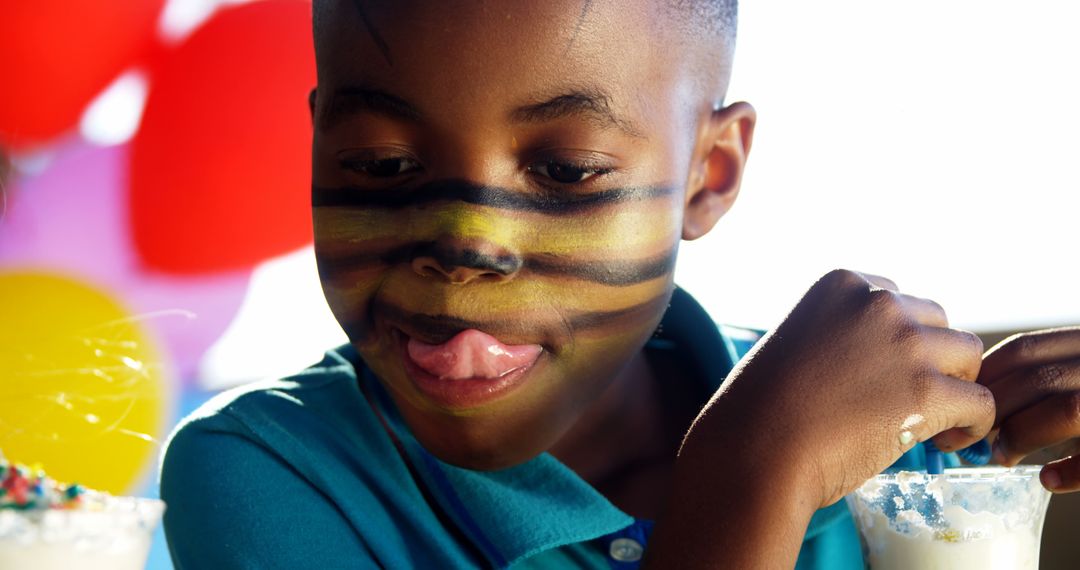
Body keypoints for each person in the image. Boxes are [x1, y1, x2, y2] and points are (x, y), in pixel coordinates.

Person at [160, 1, 1080, 568]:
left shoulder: (888, 445)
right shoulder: (269, 475)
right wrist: (750, 475)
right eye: (383, 163)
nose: (465, 246)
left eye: (565, 172)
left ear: (708, 175)